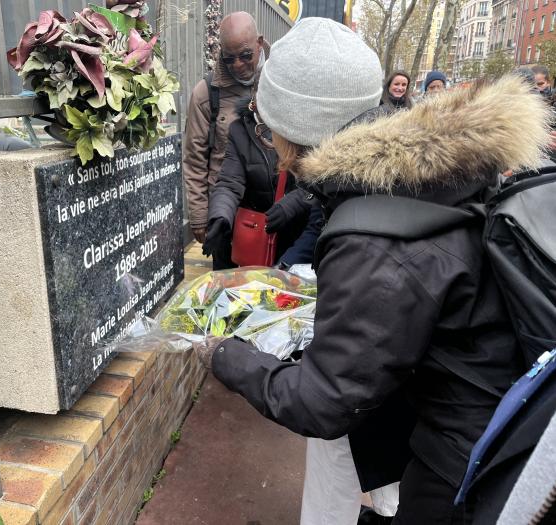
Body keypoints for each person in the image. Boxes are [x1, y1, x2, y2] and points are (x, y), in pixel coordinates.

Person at [195, 16, 551, 525]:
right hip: (493, 411)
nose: (268, 139)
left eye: (271, 123)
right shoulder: (417, 175)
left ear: (295, 130)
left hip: (467, 459)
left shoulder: (369, 234)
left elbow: (321, 401)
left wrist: (225, 355)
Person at [182, 12, 268, 268]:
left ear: (259, 43)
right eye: (229, 58)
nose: (238, 65)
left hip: (269, 211)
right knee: (226, 293)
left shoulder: (279, 82)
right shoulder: (207, 93)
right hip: (225, 214)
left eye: (245, 56)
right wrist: (198, 216)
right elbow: (194, 158)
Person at [202, 94, 313, 269]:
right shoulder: (241, 129)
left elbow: (320, 180)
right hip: (257, 234)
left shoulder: (307, 124)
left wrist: (292, 204)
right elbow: (230, 182)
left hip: (298, 236)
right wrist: (220, 216)